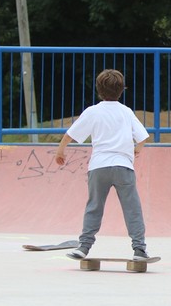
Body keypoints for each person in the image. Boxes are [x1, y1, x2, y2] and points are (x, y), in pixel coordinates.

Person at [55, 69, 151, 260]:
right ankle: (139, 248)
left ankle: (83, 246)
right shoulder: (126, 112)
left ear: (98, 90)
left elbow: (70, 135)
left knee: (94, 206)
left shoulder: (93, 111)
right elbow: (143, 137)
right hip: (123, 166)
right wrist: (136, 150)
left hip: (99, 166)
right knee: (132, 208)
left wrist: (60, 150)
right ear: (122, 90)